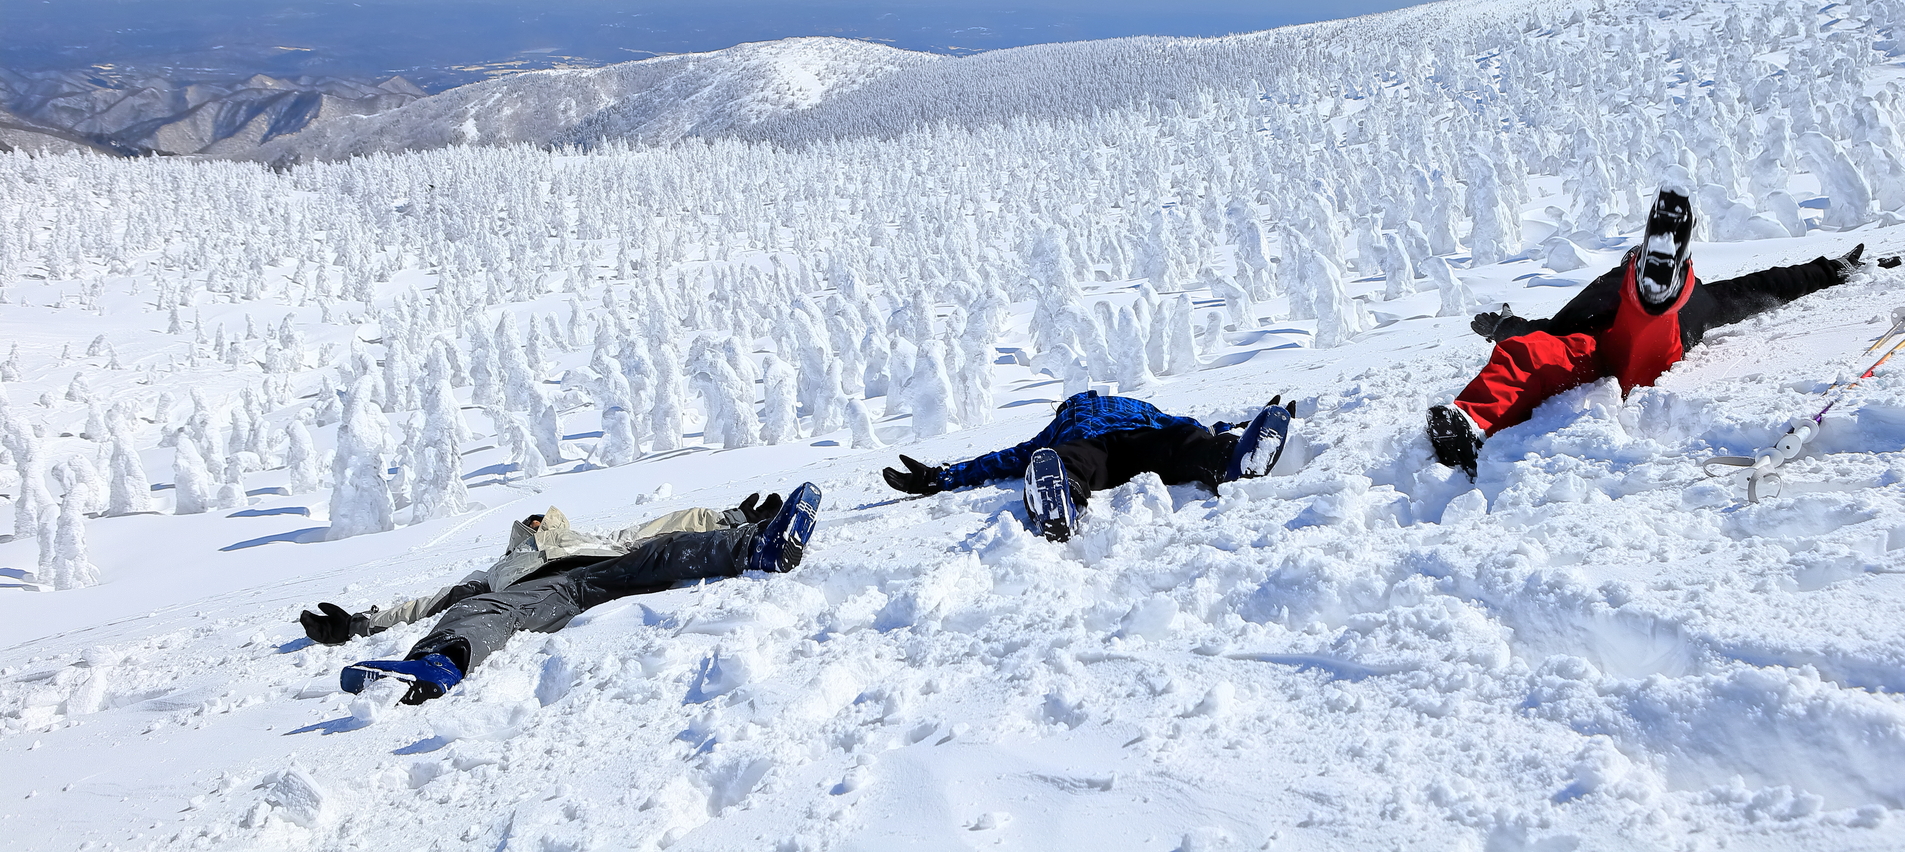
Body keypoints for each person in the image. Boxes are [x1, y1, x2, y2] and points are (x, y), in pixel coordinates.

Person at [1426, 187, 1897, 479]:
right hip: (1589, 348)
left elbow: (1765, 285)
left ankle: (1657, 293)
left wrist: (1829, 270)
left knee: (1648, 323)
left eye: (1651, 259)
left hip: (1650, 340)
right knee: (1529, 351)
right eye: (1644, 259)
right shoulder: (1600, 289)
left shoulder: (1705, 299)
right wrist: (1504, 327)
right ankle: (1469, 423)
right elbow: (1542, 334)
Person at [304, 484, 819, 703]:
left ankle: (763, 547)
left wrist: (730, 517)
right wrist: (360, 624)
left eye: (541, 520)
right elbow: (424, 605)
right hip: (544, 592)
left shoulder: (585, 538)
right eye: (529, 522)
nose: (536, 523)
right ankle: (437, 665)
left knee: (663, 550)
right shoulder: (498, 570)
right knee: (480, 607)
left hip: (603, 568)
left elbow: (660, 526)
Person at [882, 389, 1291, 541]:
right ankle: (1229, 459)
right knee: (1184, 442)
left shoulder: (1068, 419)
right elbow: (1188, 427)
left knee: (1064, 458)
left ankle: (1235, 462)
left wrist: (942, 477)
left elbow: (1007, 458)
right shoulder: (1126, 406)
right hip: (1131, 441)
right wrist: (1228, 431)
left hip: (1108, 445)